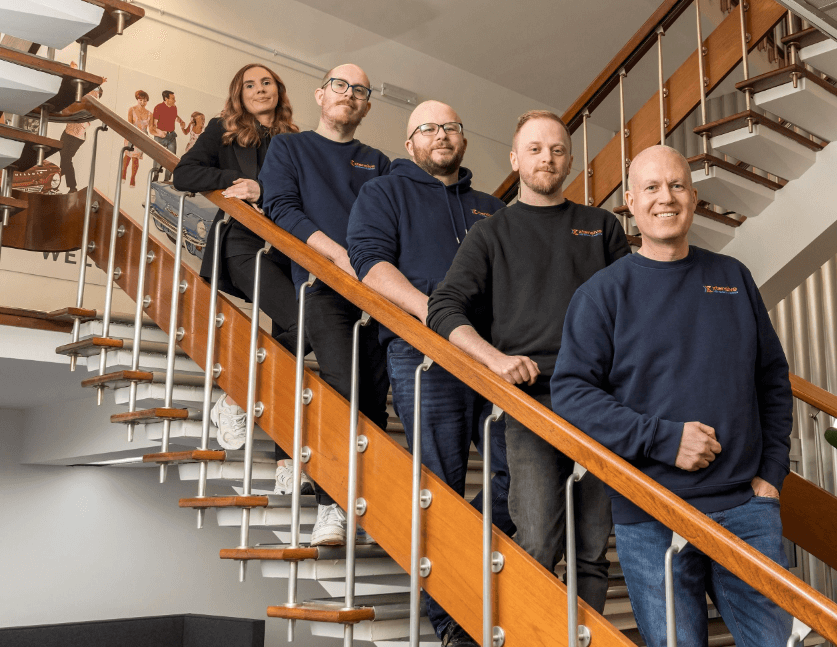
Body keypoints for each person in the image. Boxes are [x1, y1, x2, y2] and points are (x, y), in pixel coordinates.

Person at [550, 145, 794, 647]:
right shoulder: (602, 293)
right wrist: (662, 439)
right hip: (651, 514)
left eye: (677, 185)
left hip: (747, 511)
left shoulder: (733, 277)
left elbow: (772, 378)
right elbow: (571, 393)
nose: (667, 197)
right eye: (653, 188)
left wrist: (771, 473)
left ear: (695, 197)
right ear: (632, 204)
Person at [427, 110, 629, 619]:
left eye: (557, 150)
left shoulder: (601, 228)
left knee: (590, 551)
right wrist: (495, 361)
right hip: (530, 404)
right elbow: (443, 307)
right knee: (537, 538)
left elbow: (638, 312)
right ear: (516, 159)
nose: (547, 158)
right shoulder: (491, 235)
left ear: (570, 160)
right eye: (535, 149)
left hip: (600, 406)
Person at [347, 100, 512, 647]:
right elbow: (370, 264)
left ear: (463, 139)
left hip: (495, 361)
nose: (441, 135)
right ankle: (451, 622)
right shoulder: (383, 192)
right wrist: (434, 318)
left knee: (519, 478)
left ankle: (487, 568)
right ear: (409, 139)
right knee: (438, 491)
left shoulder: (492, 207)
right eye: (429, 128)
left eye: (451, 127)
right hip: (425, 357)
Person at [262, 63, 390, 547]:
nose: (349, 94)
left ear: (367, 105)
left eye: (360, 89)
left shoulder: (376, 161)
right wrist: (340, 258)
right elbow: (281, 208)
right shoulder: (290, 147)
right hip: (321, 283)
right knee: (342, 390)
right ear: (320, 95)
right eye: (340, 85)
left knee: (373, 405)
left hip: (374, 294)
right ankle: (331, 506)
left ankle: (367, 503)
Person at [174, 63, 311, 500]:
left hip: (288, 251)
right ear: (238, 94)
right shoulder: (223, 130)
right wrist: (240, 182)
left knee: (297, 340)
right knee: (302, 320)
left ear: (279, 90)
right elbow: (185, 173)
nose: (258, 89)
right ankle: (244, 402)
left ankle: (283, 456)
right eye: (249, 85)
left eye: (265, 82)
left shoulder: (300, 141)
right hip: (242, 244)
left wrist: (265, 192)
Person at [151, 90, 188, 182]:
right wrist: (159, 132)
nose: (175, 101)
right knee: (158, 157)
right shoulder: (158, 108)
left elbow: (175, 117)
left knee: (172, 159)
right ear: (166, 99)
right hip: (160, 136)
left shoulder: (174, 108)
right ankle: (155, 175)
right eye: (173, 99)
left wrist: (181, 121)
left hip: (171, 135)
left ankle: (166, 179)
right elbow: (154, 125)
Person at [123, 90, 152, 188]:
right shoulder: (132, 109)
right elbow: (129, 123)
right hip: (131, 134)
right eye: (141, 100)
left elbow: (151, 128)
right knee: (127, 156)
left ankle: (132, 178)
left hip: (142, 137)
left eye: (145, 101)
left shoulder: (149, 114)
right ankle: (123, 173)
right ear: (137, 99)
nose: (143, 103)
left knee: (136, 158)